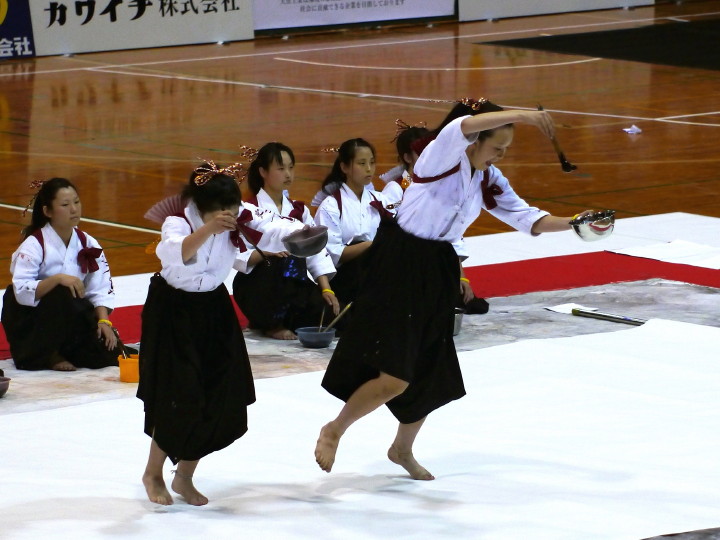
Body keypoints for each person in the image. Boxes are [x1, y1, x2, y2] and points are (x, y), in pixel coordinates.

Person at [314, 98, 594, 480]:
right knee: (394, 373)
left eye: (505, 149)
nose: (500, 155)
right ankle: (335, 429)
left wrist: (577, 223)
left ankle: (402, 449)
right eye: (496, 146)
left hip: (438, 267)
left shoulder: (488, 178)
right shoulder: (441, 156)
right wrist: (524, 114)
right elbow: (460, 126)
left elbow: (527, 216)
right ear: (476, 140)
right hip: (400, 262)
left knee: (431, 368)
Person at [137, 161, 306, 506]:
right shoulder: (178, 221)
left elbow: (272, 225)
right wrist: (209, 229)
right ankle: (153, 473)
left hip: (214, 308)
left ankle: (184, 476)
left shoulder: (237, 213)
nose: (232, 215)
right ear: (202, 206)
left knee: (220, 393)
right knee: (179, 396)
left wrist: (302, 234)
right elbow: (174, 252)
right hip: (173, 311)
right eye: (223, 211)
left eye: (234, 208)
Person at [1, 178, 122, 371]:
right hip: (34, 320)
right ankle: (48, 355)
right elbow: (22, 292)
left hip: (71, 316)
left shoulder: (88, 243)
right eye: (65, 205)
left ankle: (68, 349)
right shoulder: (33, 245)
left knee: (107, 355)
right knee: (61, 292)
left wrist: (103, 321)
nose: (74, 209)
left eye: (76, 202)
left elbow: (100, 287)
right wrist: (57, 279)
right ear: (48, 211)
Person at [381, 120, 490, 315]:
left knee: (472, 304)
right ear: (407, 157)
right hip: (407, 261)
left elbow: (450, 234)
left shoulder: (445, 184)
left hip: (436, 257)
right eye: (421, 152)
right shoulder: (396, 189)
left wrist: (462, 277)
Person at [233, 142, 339, 340]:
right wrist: (266, 255)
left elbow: (316, 251)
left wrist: (325, 288)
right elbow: (237, 252)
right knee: (278, 263)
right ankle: (270, 323)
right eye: (281, 168)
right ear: (263, 171)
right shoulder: (247, 210)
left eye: (291, 168)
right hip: (260, 285)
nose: (288, 174)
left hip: (293, 283)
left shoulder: (299, 211)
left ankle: (288, 319)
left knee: (332, 317)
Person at [312, 138, 393, 305]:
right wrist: (371, 245)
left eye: (372, 162)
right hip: (347, 277)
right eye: (362, 163)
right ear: (344, 167)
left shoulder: (381, 200)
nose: (369, 169)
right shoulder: (331, 206)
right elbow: (332, 254)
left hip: (378, 269)